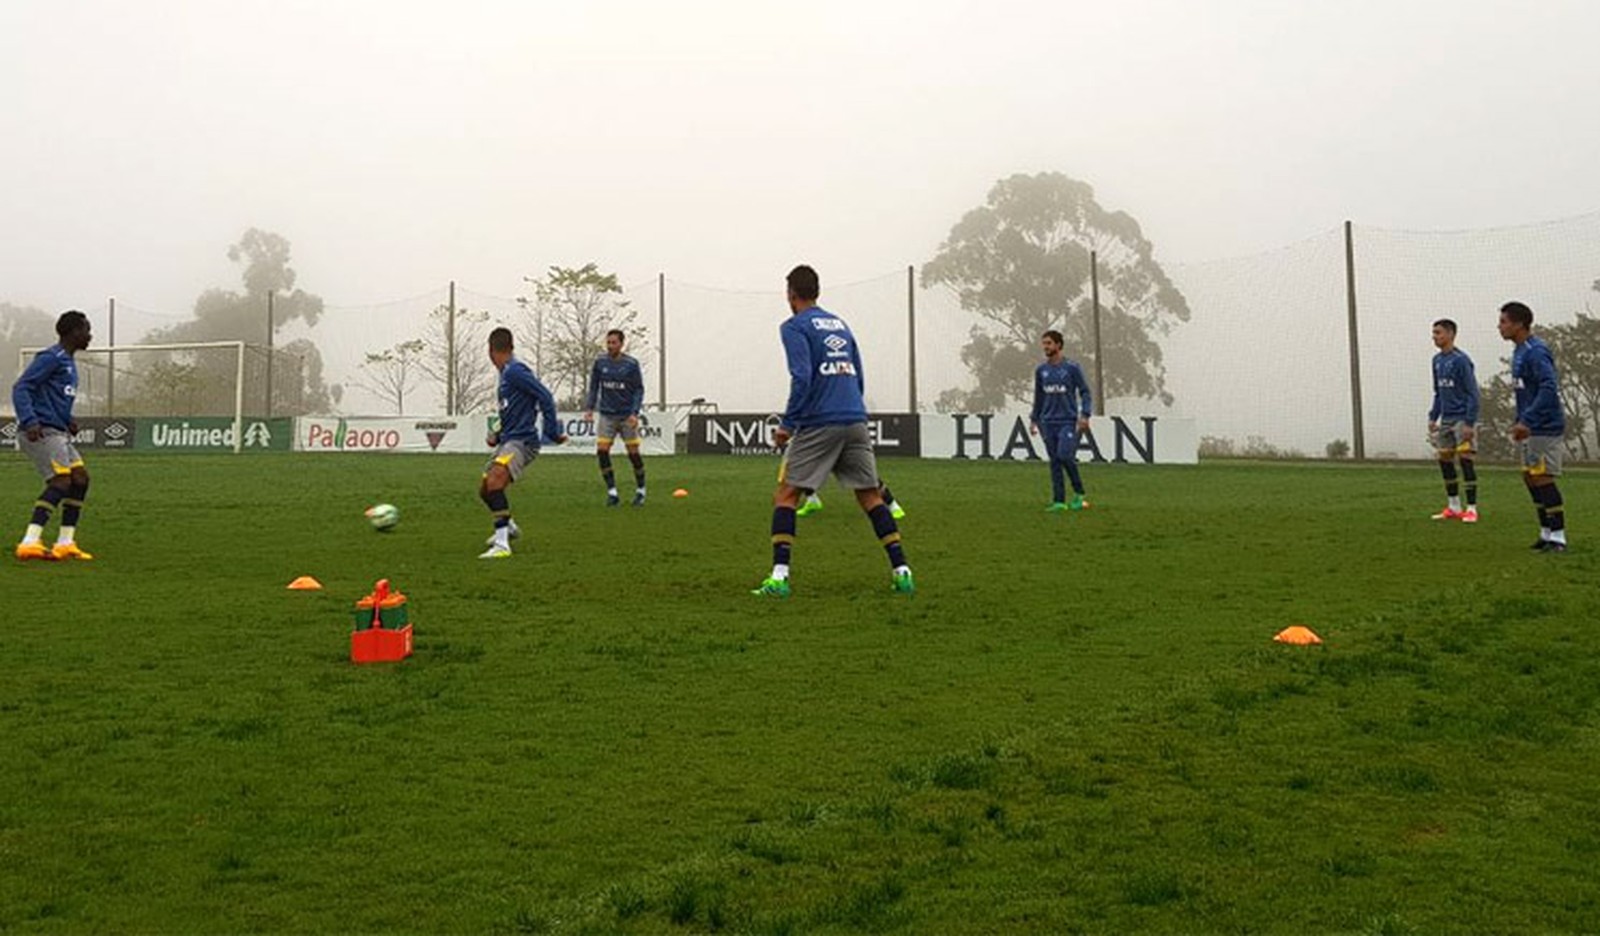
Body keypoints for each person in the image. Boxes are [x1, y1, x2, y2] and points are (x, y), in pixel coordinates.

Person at [753, 265, 913, 597]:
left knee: (786, 496)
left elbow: (802, 376)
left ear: (791, 294)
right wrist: (853, 408)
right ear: (817, 291)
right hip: (854, 418)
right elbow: (858, 374)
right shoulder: (840, 324)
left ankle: (779, 579)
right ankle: (902, 571)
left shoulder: (794, 326)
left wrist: (788, 424)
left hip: (820, 421)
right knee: (870, 496)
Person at [13, 311, 95, 561]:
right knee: (61, 481)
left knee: (80, 479)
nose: (90, 336)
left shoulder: (68, 362)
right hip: (42, 431)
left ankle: (65, 543)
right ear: (74, 332)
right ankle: (29, 541)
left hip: (58, 430)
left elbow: (50, 397)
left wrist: (68, 419)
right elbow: (21, 387)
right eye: (87, 330)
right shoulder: (51, 358)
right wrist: (30, 421)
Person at [479, 327, 566, 559]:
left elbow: (545, 396)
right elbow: (512, 413)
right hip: (509, 440)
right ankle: (508, 526)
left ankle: (502, 545)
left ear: (491, 351)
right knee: (485, 489)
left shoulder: (515, 371)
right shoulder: (506, 374)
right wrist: (497, 435)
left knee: (495, 480)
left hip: (522, 442)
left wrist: (551, 432)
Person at [1499, 301, 1567, 552]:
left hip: (1544, 425)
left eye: (1504, 321)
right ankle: (1545, 532)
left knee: (1542, 476)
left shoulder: (1535, 351)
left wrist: (1528, 419)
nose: (1499, 326)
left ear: (1519, 324)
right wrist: (1520, 420)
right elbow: (1526, 392)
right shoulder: (1518, 351)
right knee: (1530, 477)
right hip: (1529, 426)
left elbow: (1548, 387)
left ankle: (1558, 537)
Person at [1029, 330, 1093, 512]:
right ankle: (1059, 501)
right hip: (1047, 422)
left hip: (1067, 420)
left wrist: (1085, 414)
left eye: (1049, 343)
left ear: (1058, 345)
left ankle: (1079, 493)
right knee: (1055, 461)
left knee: (1065, 455)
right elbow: (1039, 397)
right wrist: (1034, 420)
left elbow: (1085, 392)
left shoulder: (1072, 368)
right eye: (1044, 343)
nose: (1045, 347)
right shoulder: (1041, 371)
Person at [583, 329, 647, 507]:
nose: (610, 346)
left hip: (626, 415)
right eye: (608, 342)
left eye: (614, 343)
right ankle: (612, 492)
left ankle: (641, 490)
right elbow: (594, 387)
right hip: (607, 414)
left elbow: (639, 389)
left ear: (621, 344)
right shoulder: (600, 362)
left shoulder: (631, 364)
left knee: (633, 454)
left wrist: (634, 413)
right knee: (602, 451)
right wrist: (589, 408)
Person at [1427, 318, 1480, 522]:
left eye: (1438, 333)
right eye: (1433, 333)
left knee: (1466, 460)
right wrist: (1433, 416)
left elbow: (1472, 392)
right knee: (1445, 461)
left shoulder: (1461, 360)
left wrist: (1469, 422)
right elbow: (1438, 392)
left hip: (1461, 419)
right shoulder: (1436, 360)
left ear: (1450, 334)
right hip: (1446, 420)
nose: (1434, 337)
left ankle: (1472, 508)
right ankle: (1453, 506)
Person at [796, 480, 904, 519]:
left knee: (864, 474)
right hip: (822, 439)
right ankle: (812, 499)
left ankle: (892, 504)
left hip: (844, 442)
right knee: (802, 466)